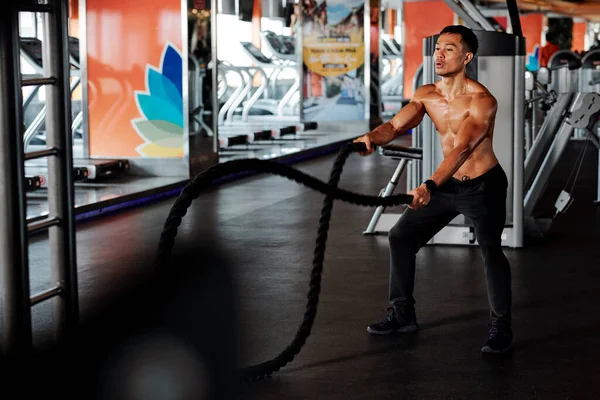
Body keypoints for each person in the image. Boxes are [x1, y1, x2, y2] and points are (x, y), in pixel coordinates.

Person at [354, 25, 513, 354]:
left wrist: (428, 184)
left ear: (467, 57)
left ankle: (501, 326)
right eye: (437, 47)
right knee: (400, 236)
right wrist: (372, 136)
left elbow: (463, 149)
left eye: (449, 49)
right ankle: (402, 313)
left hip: (484, 185)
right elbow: (395, 125)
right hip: (447, 183)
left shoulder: (482, 100)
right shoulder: (427, 94)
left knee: (490, 250)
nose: (439, 54)